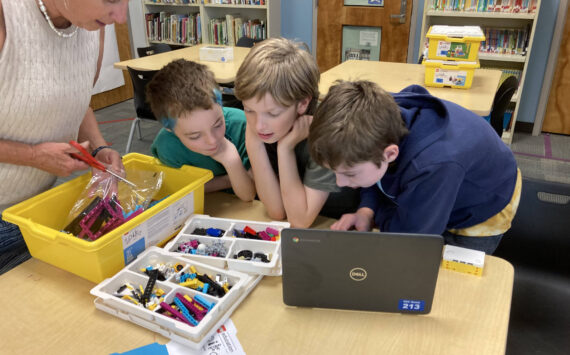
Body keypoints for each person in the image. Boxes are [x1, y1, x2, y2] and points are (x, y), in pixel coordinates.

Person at [309, 80, 521, 254]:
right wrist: (367, 210)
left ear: (390, 154)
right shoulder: (377, 120)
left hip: (485, 199)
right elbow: (376, 174)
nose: (340, 183)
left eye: (349, 174)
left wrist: (384, 216)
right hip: (443, 178)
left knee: (450, 283)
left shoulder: (433, 165)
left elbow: (413, 237)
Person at [0, 0, 128, 274]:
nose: (121, 17)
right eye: (111, 0)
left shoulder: (93, 25)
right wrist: (33, 156)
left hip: (33, 210)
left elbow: (76, 100)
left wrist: (98, 146)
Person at [233, 37, 359, 228]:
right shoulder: (262, 127)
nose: (259, 126)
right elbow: (276, 211)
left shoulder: (326, 135)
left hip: (334, 226)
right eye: (248, 110)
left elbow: (299, 221)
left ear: (302, 103)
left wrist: (285, 149)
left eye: (272, 113)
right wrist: (254, 143)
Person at [147, 59, 255, 202]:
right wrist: (228, 180)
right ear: (169, 128)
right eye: (195, 136)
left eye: (218, 124)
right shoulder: (167, 146)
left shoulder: (242, 125)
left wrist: (232, 161)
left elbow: (248, 195)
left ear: (220, 103)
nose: (212, 140)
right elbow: (182, 190)